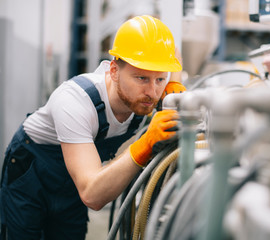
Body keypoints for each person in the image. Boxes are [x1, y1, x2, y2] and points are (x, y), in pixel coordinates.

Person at [0, 15, 186, 240]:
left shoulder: (143, 95)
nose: (153, 93)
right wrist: (144, 145)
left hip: (74, 179)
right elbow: (91, 195)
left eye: (160, 79)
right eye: (141, 78)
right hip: (31, 171)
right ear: (114, 71)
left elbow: (173, 52)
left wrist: (174, 82)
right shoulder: (75, 101)